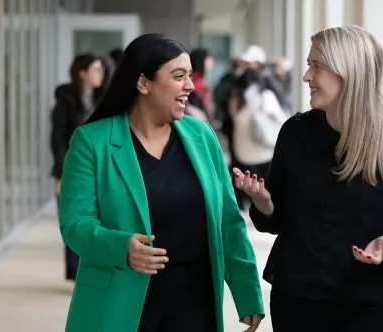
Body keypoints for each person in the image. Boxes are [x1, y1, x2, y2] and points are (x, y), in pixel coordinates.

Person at [234, 25, 383, 331]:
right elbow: (277, 222)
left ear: (349, 71)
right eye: (308, 66)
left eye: (317, 66)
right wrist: (264, 202)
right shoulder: (295, 133)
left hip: (371, 307)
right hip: (298, 301)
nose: (306, 77)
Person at [58, 33, 264, 332]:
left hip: (195, 303)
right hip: (120, 302)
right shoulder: (92, 142)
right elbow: (75, 223)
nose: (190, 86)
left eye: (190, 76)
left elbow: (228, 223)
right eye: (179, 76)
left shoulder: (202, 136)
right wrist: (120, 247)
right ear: (143, 83)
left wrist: (248, 295)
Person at [50, 53, 106, 282]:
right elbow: (57, 140)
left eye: (101, 70)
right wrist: (63, 172)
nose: (100, 74)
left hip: (99, 170)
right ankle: (76, 273)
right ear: (82, 73)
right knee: (74, 219)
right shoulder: (66, 104)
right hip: (70, 171)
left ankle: (92, 268)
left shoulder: (102, 101)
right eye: (95, 69)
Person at [229, 68, 286, 209]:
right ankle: (264, 209)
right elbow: (280, 119)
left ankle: (245, 207)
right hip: (264, 152)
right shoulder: (266, 96)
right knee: (266, 184)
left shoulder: (235, 99)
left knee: (246, 182)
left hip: (241, 152)